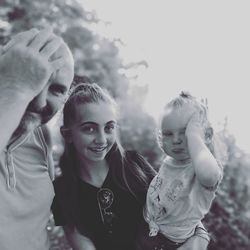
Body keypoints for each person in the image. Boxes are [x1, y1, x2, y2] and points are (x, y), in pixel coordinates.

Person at [52, 83, 211, 250]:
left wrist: (200, 237)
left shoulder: (134, 164)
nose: (101, 139)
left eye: (109, 128)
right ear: (68, 134)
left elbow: (176, 205)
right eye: (89, 129)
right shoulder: (63, 191)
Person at [0, 27, 74, 250]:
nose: (40, 102)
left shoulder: (41, 136)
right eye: (33, 79)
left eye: (57, 90)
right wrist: (16, 89)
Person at [136, 92, 223, 250]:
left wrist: (194, 136)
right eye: (168, 134)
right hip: (148, 228)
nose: (176, 140)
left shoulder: (201, 167)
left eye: (184, 132)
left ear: (207, 135)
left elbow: (209, 176)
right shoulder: (172, 161)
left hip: (170, 242)